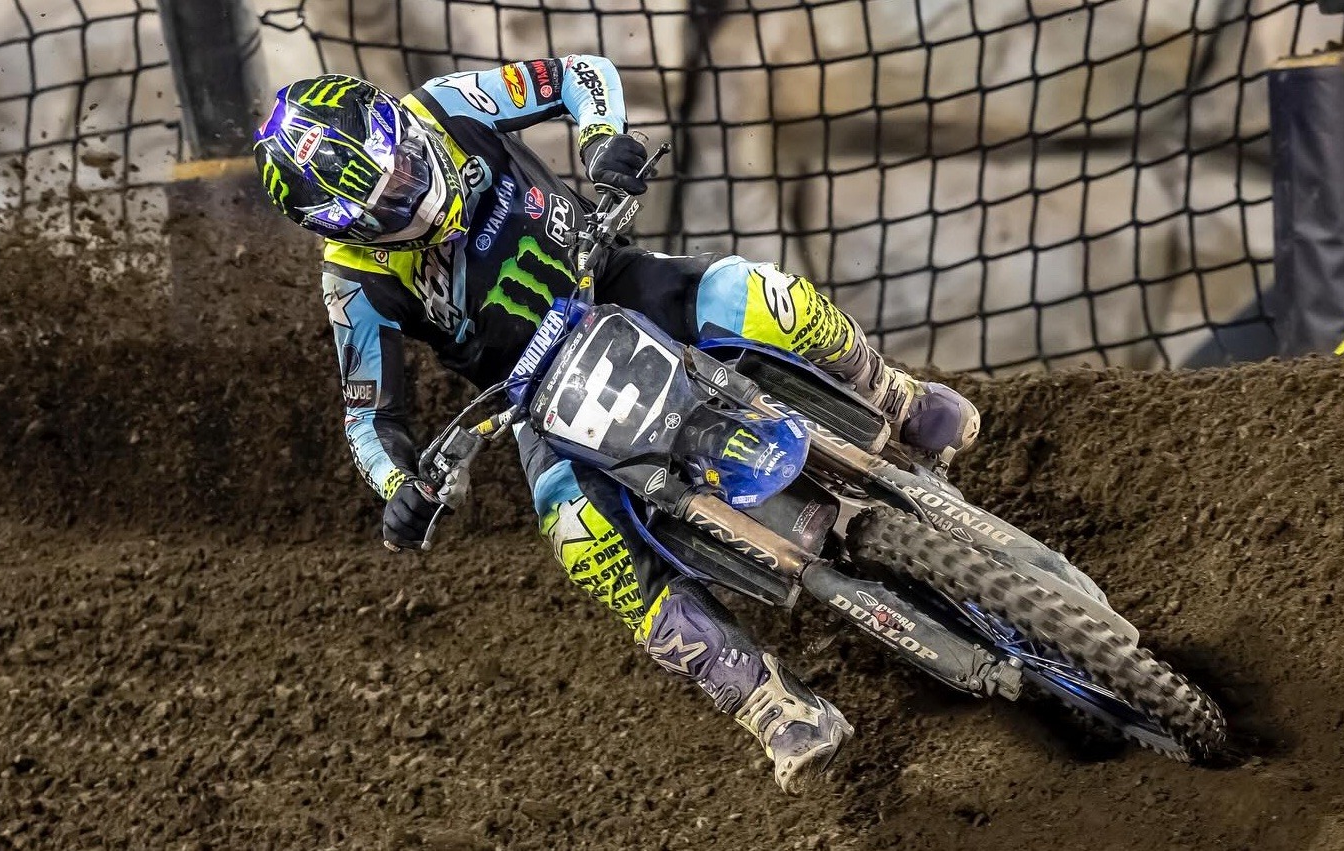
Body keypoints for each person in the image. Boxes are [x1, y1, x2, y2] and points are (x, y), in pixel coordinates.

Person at [252, 56, 980, 794]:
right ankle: (764, 699)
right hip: (533, 396)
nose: (408, 189)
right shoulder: (353, 283)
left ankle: (894, 397)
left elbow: (579, 73)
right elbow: (368, 417)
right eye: (384, 202)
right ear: (340, 226)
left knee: (762, 295)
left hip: (613, 279)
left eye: (405, 165)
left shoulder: (446, 105)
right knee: (580, 540)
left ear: (396, 123)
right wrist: (400, 485)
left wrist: (601, 141)